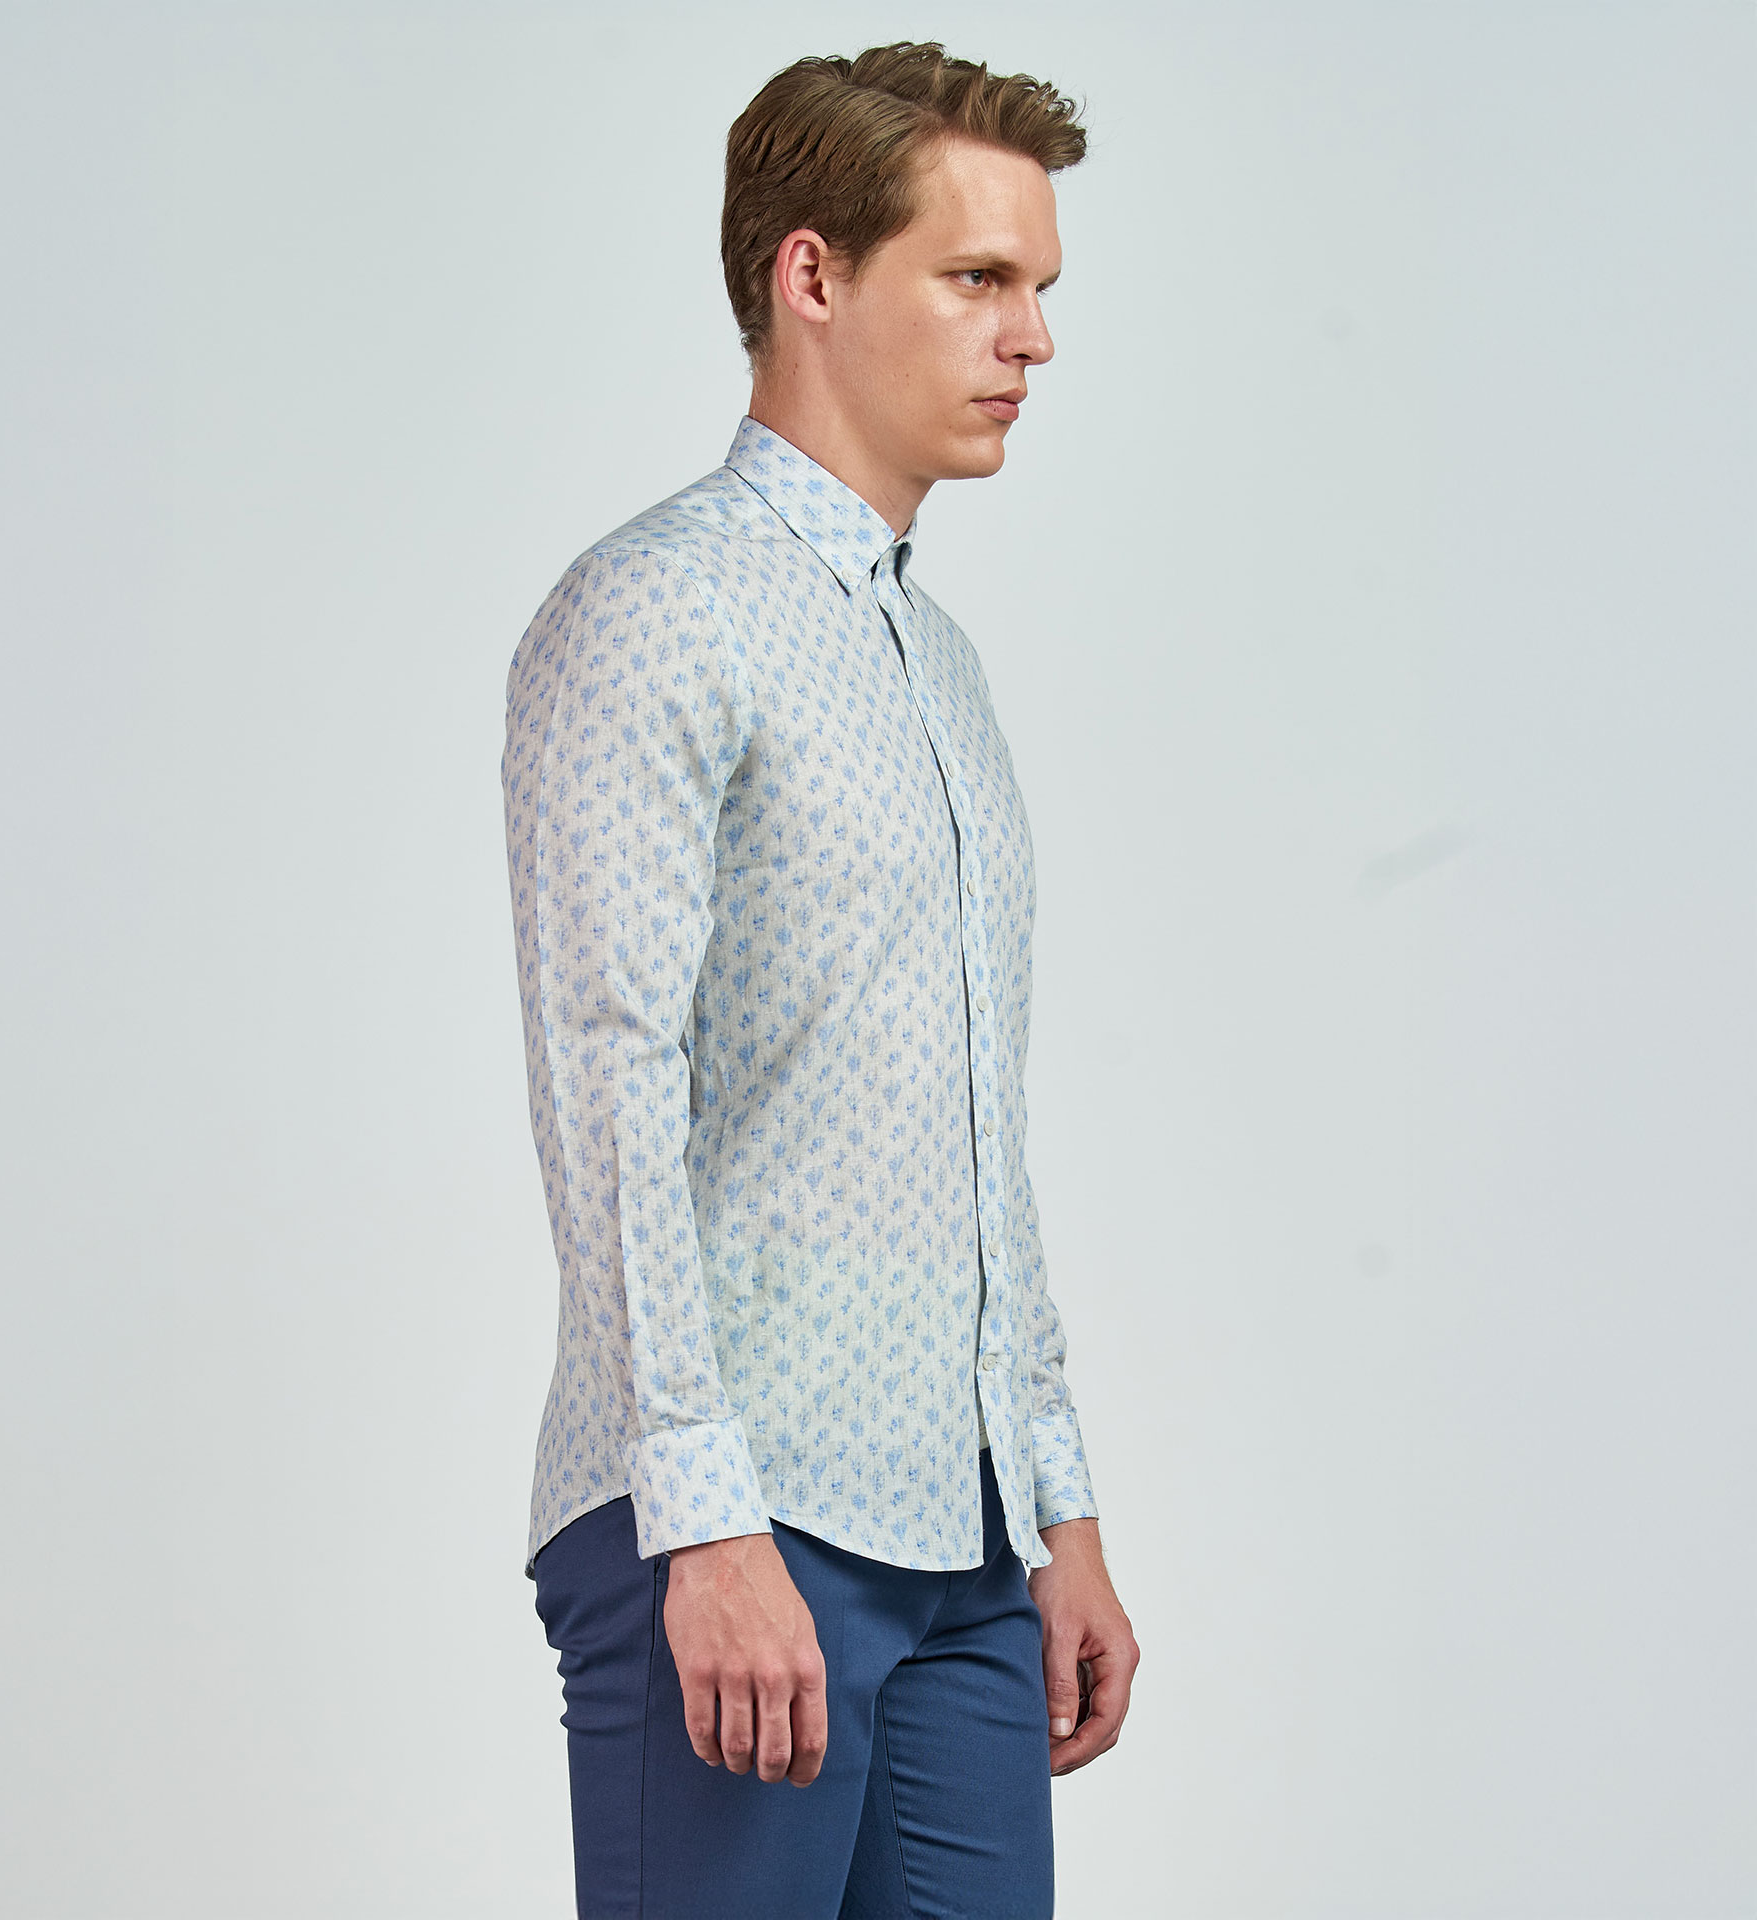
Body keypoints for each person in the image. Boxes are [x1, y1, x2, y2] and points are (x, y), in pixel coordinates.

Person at [500, 40, 1139, 1919]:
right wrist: (700, 1520)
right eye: (979, 276)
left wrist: (1059, 1508)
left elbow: (976, 1129)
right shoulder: (656, 608)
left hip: (965, 1550)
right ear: (812, 276)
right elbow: (605, 1077)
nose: (1031, 337)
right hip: (735, 1522)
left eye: (1039, 286)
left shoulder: (942, 670)